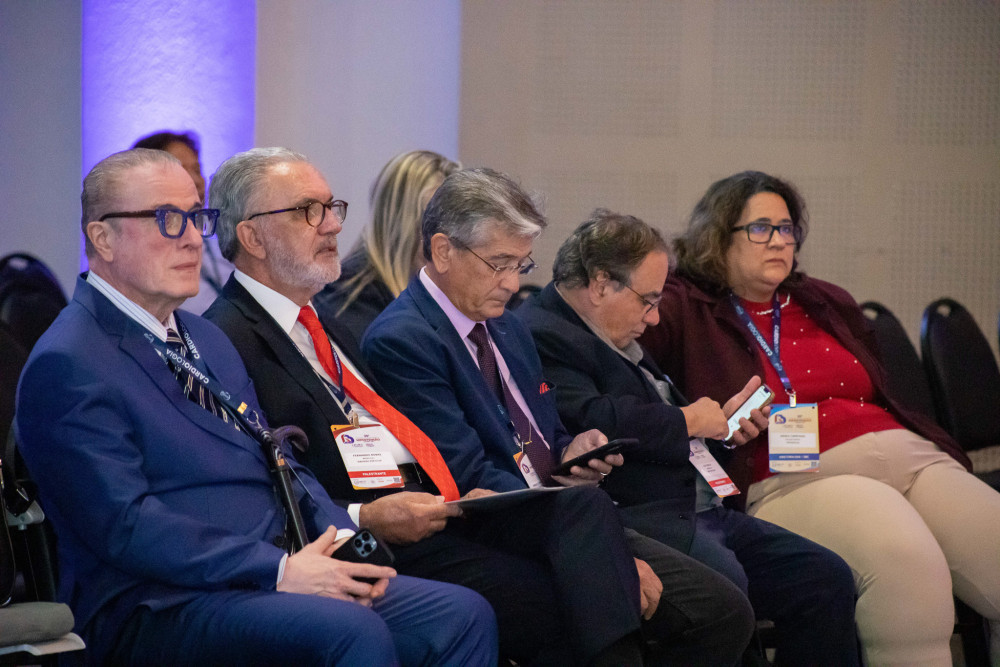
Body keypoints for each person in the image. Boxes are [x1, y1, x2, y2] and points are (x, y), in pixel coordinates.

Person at [14, 148, 497, 666]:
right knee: (350, 631)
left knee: (460, 614)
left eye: (196, 217)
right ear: (103, 238)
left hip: (265, 571)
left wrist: (343, 538)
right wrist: (278, 570)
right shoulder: (70, 361)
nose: (193, 238)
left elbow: (276, 458)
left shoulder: (203, 337)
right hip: (156, 601)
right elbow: (125, 524)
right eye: (167, 219)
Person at [203, 147, 662, 666]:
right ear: (252, 237)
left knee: (585, 525)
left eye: (332, 207)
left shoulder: (323, 321)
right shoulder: (225, 338)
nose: (332, 224)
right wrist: (366, 515)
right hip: (367, 537)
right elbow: (263, 485)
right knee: (566, 585)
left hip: (433, 508)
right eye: (309, 211)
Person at [363, 167, 758, 666]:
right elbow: (464, 475)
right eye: (499, 264)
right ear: (443, 251)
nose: (513, 283)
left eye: (521, 264)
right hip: (500, 527)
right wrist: (606, 560)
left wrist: (573, 450)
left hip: (568, 513)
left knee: (725, 611)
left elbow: (546, 430)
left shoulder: (507, 328)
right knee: (629, 605)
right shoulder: (403, 339)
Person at [638, 170, 1000, 667]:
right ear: (718, 236)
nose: (779, 241)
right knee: (910, 570)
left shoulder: (824, 300)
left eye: (786, 228)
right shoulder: (683, 306)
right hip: (796, 478)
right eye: (760, 228)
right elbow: (619, 355)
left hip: (908, 456)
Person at [516, 208, 859, 665]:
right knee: (728, 594)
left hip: (700, 508)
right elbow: (593, 418)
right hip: (642, 516)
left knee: (825, 577)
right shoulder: (543, 333)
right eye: (648, 300)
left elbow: (659, 425)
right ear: (600, 284)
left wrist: (724, 432)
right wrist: (689, 421)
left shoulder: (611, 333)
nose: (655, 318)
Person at [313, 150, 460, 357]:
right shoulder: (347, 300)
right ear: (400, 222)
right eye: (439, 224)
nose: (451, 240)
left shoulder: (432, 290)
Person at [132, 130, 234, 313]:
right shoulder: (143, 255)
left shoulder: (222, 245)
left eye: (197, 170)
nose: (196, 181)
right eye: (181, 170)